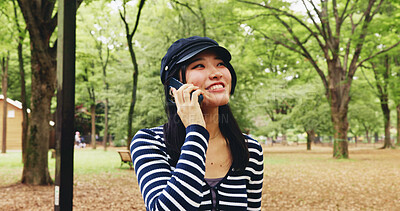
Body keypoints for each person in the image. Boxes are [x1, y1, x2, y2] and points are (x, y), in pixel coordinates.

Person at [130, 36, 264, 210]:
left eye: (220, 64)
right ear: (174, 87)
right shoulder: (150, 142)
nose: (216, 73)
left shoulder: (249, 149)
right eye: (199, 66)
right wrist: (196, 130)